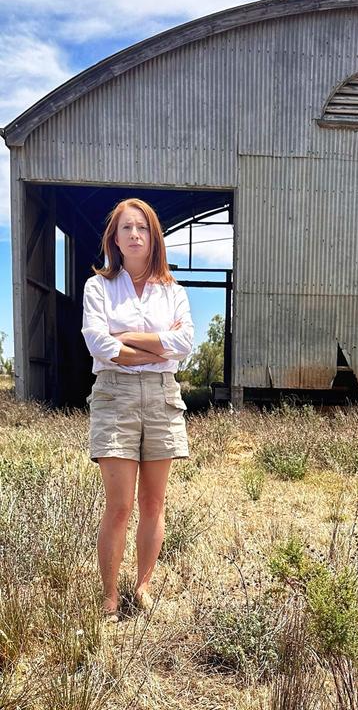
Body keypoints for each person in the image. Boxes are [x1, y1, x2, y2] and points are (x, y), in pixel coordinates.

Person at [81, 198, 194, 622]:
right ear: (115, 238)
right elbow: (99, 344)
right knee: (119, 505)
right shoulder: (99, 287)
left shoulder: (173, 291)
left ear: (153, 238)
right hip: (116, 396)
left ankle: (142, 585)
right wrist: (156, 343)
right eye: (126, 228)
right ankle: (110, 596)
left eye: (142, 228)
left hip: (162, 397)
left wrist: (127, 336)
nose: (134, 235)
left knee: (152, 502)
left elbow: (184, 346)